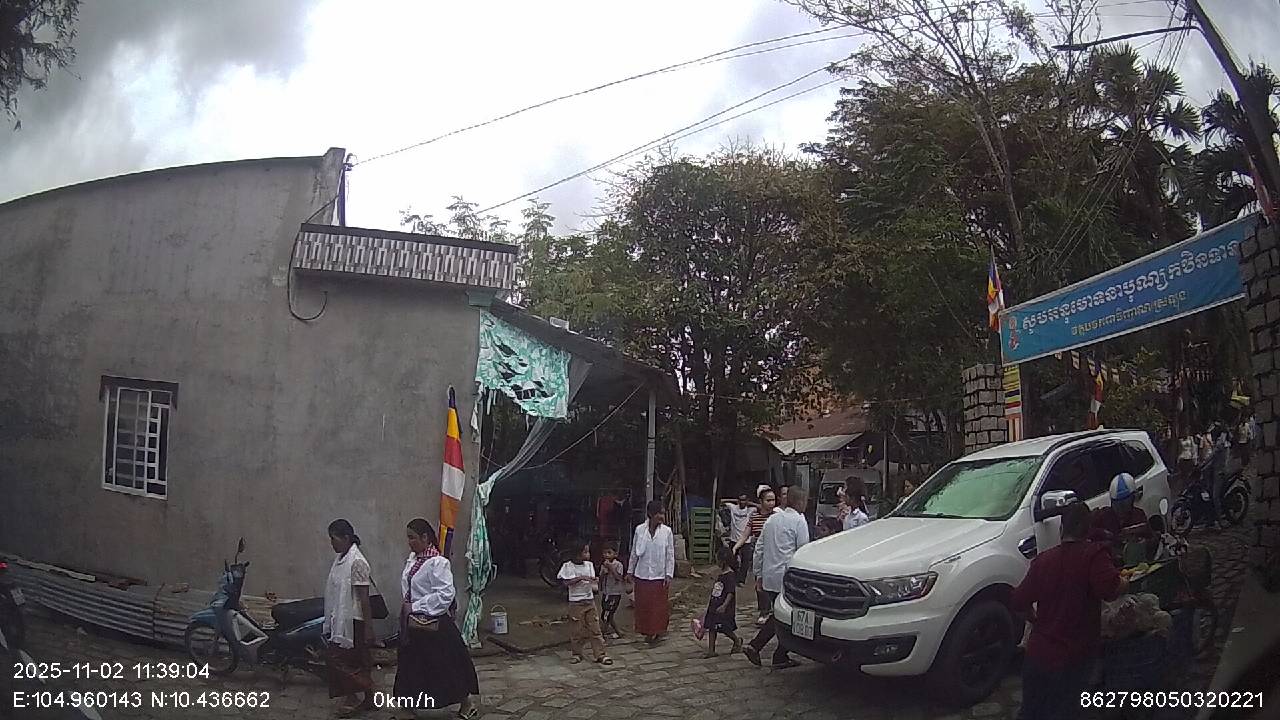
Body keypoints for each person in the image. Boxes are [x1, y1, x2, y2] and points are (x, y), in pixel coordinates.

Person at [1012, 502, 1127, 720]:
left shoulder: (1043, 560)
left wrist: (1033, 618)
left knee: (1031, 713)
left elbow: (1018, 600)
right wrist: (1125, 582)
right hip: (1073, 658)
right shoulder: (1094, 555)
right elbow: (1111, 589)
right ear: (1088, 529)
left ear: (1061, 528)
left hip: (1038, 656)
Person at [393, 519, 480, 720]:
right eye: (408, 538)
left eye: (413, 537)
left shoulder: (438, 563)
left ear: (425, 537)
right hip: (413, 624)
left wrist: (416, 606)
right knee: (411, 666)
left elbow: (445, 594)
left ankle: (466, 703)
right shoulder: (413, 560)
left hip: (434, 625)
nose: (409, 542)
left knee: (446, 665)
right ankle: (408, 706)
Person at [743, 484, 810, 670]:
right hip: (788, 578)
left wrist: (758, 574)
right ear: (800, 502)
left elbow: (759, 548)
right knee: (787, 617)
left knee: (781, 614)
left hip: (770, 576)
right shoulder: (799, 521)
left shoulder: (772, 520)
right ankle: (760, 647)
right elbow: (803, 551)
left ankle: (777, 653)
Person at [323, 519, 375, 717]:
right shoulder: (340, 560)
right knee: (359, 660)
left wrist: (368, 627)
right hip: (342, 618)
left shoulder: (357, 562)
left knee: (339, 660)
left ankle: (357, 695)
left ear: (346, 538)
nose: (331, 543)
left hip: (354, 621)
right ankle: (367, 697)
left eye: (334, 538)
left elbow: (364, 598)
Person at [627, 500, 675, 645]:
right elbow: (634, 552)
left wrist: (669, 574)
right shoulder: (639, 530)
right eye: (659, 513)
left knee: (658, 607)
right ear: (651, 514)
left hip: (659, 576)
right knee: (644, 606)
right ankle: (647, 631)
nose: (662, 516)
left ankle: (657, 631)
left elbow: (670, 554)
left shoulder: (667, 532)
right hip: (642, 574)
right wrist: (630, 571)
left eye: (663, 513)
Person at [559, 540, 612, 665]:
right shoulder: (568, 566)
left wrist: (596, 581)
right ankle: (577, 653)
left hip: (589, 600)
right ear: (577, 554)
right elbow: (566, 582)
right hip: (576, 602)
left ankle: (600, 654)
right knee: (576, 630)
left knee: (595, 628)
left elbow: (593, 582)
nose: (588, 554)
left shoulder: (589, 565)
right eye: (585, 552)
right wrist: (580, 578)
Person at [732, 487, 778, 626]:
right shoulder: (754, 517)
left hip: (775, 554)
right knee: (759, 584)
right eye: (768, 500)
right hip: (759, 554)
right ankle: (764, 611)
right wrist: (736, 547)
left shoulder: (777, 516)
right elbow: (745, 534)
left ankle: (775, 611)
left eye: (773, 500)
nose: (771, 503)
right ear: (761, 501)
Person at [1089, 473, 1153, 566]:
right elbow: (1087, 536)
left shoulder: (1139, 515)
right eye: (1117, 504)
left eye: (1125, 504)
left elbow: (1152, 540)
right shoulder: (1102, 516)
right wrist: (1104, 536)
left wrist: (1140, 543)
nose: (1121, 509)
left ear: (1132, 499)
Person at [702, 544, 743, 658]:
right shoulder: (721, 575)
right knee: (712, 627)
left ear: (723, 561)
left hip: (723, 606)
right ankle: (711, 650)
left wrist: (724, 606)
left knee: (724, 627)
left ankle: (736, 640)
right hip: (715, 605)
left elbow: (730, 592)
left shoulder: (729, 576)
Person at [724, 494, 755, 584]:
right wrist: (735, 500)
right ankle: (733, 577)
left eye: (744, 500)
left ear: (747, 500)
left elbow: (761, 507)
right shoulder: (733, 507)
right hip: (734, 539)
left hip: (746, 540)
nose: (742, 502)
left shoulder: (750, 510)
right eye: (740, 500)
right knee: (731, 560)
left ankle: (741, 580)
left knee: (745, 561)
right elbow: (721, 501)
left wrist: (749, 503)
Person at [598, 544, 626, 639]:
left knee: (607, 614)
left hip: (615, 593)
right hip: (606, 592)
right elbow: (601, 578)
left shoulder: (618, 565)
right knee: (605, 614)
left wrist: (611, 568)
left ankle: (603, 633)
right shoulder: (603, 565)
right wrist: (603, 573)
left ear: (615, 554)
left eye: (609, 553)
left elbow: (619, 577)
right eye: (604, 553)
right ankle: (617, 632)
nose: (606, 555)